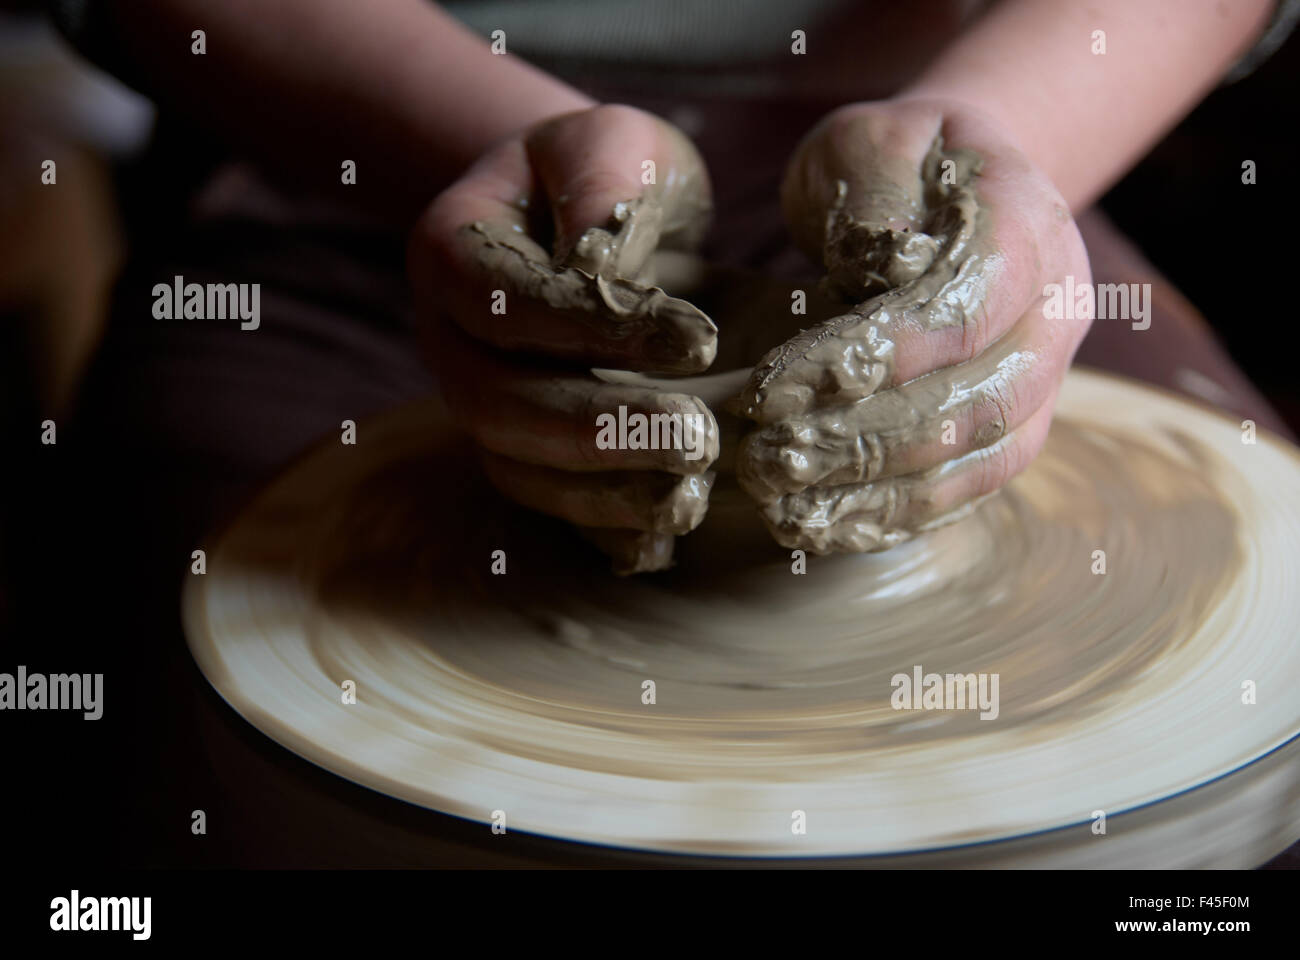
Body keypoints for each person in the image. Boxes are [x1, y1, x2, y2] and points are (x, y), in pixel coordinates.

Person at [47, 0, 1287, 571]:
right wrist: (533, 145)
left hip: (968, 145)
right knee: (171, 726)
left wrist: (993, 142)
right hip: (371, 158)